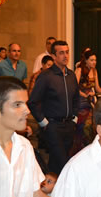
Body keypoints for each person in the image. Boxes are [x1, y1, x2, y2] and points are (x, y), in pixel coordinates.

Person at [28, 40, 80, 175]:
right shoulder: (46, 76)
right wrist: (44, 123)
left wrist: (75, 118)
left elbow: (76, 99)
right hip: (52, 126)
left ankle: (52, 190)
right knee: (64, 163)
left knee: (55, 164)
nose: (65, 56)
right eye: (61, 53)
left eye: (67, 52)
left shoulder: (71, 75)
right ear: (54, 56)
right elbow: (32, 102)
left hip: (69, 125)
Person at [72, 49, 101, 152]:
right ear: (86, 61)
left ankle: (91, 148)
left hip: (91, 101)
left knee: (93, 126)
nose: (94, 62)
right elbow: (74, 87)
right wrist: (84, 94)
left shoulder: (94, 71)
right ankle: (80, 149)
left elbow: (97, 88)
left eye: (95, 60)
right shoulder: (79, 70)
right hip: (81, 102)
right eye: (91, 60)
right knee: (84, 127)